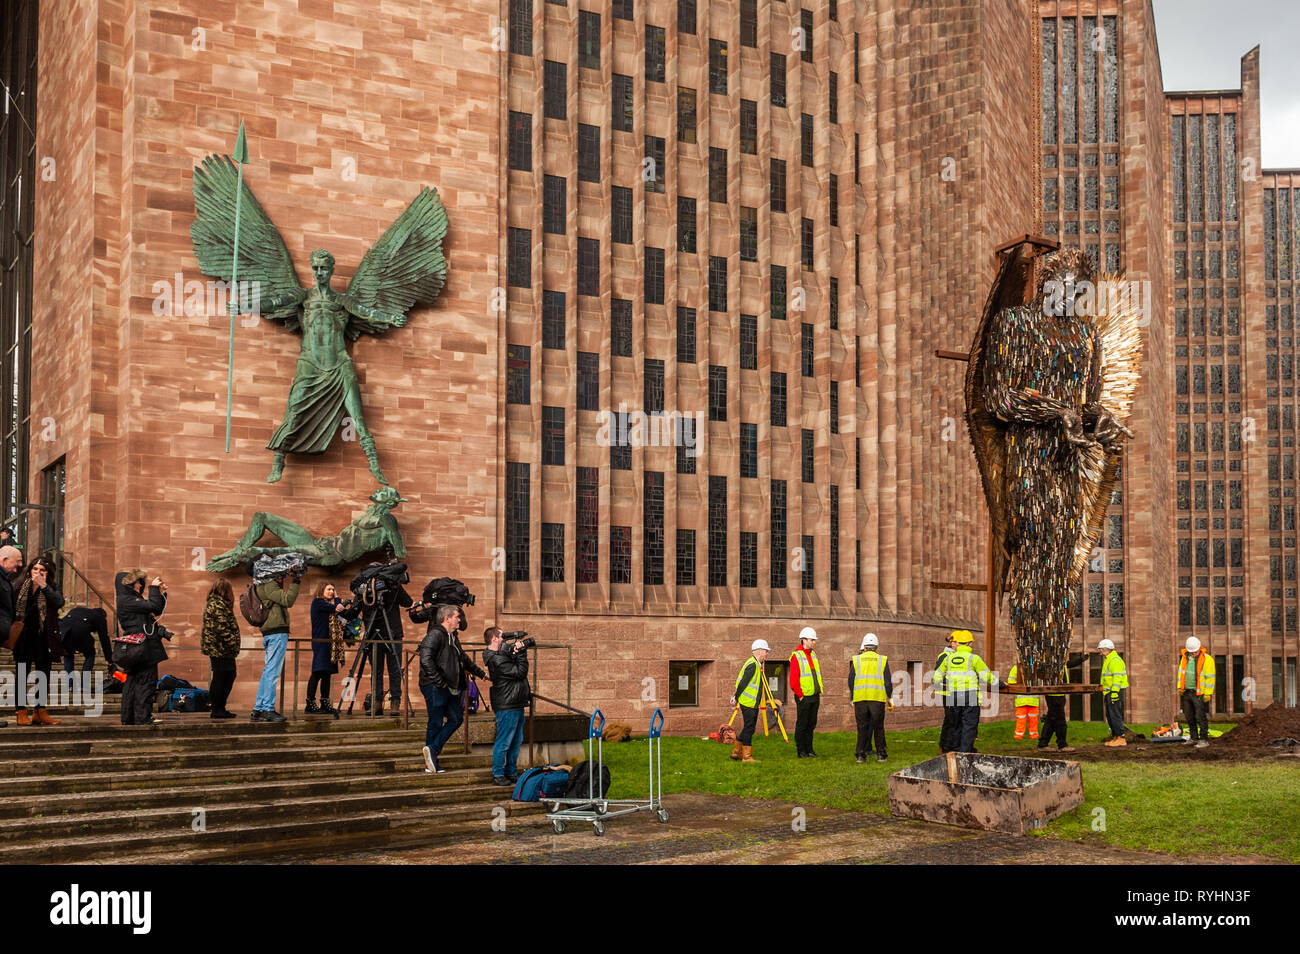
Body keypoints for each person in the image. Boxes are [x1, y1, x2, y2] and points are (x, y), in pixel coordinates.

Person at [417, 604, 486, 773]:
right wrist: (439, 682)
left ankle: (432, 750)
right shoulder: (435, 634)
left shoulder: (452, 637)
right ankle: (432, 760)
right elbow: (425, 659)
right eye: (457, 617)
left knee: (456, 718)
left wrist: (481, 673)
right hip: (435, 685)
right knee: (435, 721)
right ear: (447, 618)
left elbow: (463, 658)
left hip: (449, 686)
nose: (460, 620)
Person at [12, 557, 65, 725]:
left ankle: (40, 711)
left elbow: (59, 602)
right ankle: (21, 712)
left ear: (47, 573)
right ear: (30, 570)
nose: (38, 573)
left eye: (42, 570)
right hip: (24, 636)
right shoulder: (20, 586)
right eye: (35, 569)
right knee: (22, 674)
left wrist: (43, 585)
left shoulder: (51, 588)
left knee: (43, 675)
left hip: (44, 637)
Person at [115, 569, 169, 726]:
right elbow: (152, 605)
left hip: (136, 648)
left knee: (133, 682)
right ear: (129, 584)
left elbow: (156, 608)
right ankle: (142, 717)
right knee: (146, 681)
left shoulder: (129, 600)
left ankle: (130, 717)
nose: (140, 585)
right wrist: (153, 589)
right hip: (142, 648)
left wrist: (161, 593)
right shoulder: (127, 600)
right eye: (137, 582)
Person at [361, 563, 412, 716]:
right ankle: (377, 703)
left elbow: (408, 602)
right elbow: (356, 607)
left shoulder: (393, 586)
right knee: (377, 671)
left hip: (393, 634)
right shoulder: (365, 589)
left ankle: (395, 702)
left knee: (394, 670)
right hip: (374, 636)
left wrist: (395, 586)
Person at [252, 568, 301, 722]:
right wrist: (296, 581)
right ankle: (267, 708)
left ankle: (259, 709)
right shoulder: (267, 584)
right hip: (276, 632)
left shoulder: (261, 583)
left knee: (268, 670)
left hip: (271, 632)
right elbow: (288, 601)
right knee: (272, 672)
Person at [484, 626, 531, 785]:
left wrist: (516, 651)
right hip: (506, 704)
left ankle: (511, 772)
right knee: (504, 741)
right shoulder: (494, 659)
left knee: (516, 741)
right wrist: (522, 653)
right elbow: (519, 672)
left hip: (516, 702)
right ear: (494, 639)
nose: (505, 639)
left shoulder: (501, 655)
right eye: (502, 637)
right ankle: (498, 774)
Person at [933, 630, 990, 753]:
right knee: (952, 723)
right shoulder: (946, 656)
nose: (955, 644)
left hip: (955, 694)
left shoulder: (957, 657)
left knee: (957, 724)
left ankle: (958, 749)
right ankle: (946, 748)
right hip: (953, 694)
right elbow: (939, 675)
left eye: (956, 642)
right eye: (953, 642)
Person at [307, 582, 355, 715]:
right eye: (329, 589)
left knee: (326, 673)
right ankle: (310, 703)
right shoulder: (317, 602)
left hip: (331, 643)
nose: (331, 592)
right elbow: (337, 608)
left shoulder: (329, 606)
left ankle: (325, 703)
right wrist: (339, 599)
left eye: (333, 589)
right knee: (317, 672)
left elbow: (339, 613)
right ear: (321, 590)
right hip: (321, 642)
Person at [200, 579, 241, 719]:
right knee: (222, 676)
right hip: (221, 649)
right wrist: (232, 642)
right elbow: (221, 628)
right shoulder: (217, 605)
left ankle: (219, 707)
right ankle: (217, 708)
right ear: (225, 590)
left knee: (226, 676)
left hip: (221, 648)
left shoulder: (217, 603)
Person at [729, 639, 773, 763]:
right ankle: (747, 757)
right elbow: (743, 683)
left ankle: (736, 753)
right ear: (759, 651)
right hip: (748, 703)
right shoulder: (753, 665)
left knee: (749, 727)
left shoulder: (754, 663)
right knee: (749, 728)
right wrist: (736, 698)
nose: (767, 653)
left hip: (750, 702)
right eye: (766, 651)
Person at [850, 633, 891, 763]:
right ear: (876, 646)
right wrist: (890, 696)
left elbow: (851, 680)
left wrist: (852, 696)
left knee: (862, 727)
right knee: (878, 727)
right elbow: (888, 681)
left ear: (865, 646)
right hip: (877, 699)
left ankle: (861, 755)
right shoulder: (882, 660)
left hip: (860, 699)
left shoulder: (856, 660)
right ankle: (881, 755)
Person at [789, 626, 823, 758]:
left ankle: (809, 749)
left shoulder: (813, 654)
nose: (814, 642)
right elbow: (793, 681)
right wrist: (800, 695)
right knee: (802, 724)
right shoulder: (796, 656)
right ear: (804, 640)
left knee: (811, 724)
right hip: (804, 697)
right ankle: (801, 750)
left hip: (814, 695)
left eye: (814, 640)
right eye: (812, 640)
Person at [60, 603, 110, 689]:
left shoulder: (78, 610)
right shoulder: (100, 617)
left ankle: (70, 685)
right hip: (80, 632)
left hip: (64, 632)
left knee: (68, 655)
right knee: (90, 655)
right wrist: (109, 659)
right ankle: (84, 685)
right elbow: (104, 639)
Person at [1178, 636, 1216, 748]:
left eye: (1194, 652)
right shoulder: (1185, 658)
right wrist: (1180, 687)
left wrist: (1208, 693)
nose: (1193, 654)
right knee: (1189, 716)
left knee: (1200, 716)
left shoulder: (1207, 659)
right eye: (1191, 652)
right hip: (1187, 692)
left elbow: (1210, 678)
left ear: (1199, 648)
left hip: (1199, 694)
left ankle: (1203, 739)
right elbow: (1181, 674)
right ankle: (1193, 738)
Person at [1037, 656, 1079, 753]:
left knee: (1051, 720)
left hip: (1056, 694)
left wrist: (1080, 659)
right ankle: (1062, 744)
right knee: (1060, 721)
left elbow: (1069, 664)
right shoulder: (1052, 662)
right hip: (1055, 695)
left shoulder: (1058, 661)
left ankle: (1043, 744)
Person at [1099, 638, 1129, 746]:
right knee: (1110, 715)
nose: (1100, 652)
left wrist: (1115, 692)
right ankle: (1116, 737)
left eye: (1101, 650)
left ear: (1107, 649)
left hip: (1114, 692)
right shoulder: (1109, 659)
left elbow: (1117, 678)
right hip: (1109, 692)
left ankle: (1121, 737)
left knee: (1115, 715)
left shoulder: (1115, 660)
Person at [1006, 662, 1040, 742]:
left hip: (1021, 700)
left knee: (1021, 719)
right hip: (1033, 700)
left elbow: (1010, 681)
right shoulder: (1036, 667)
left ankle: (1018, 736)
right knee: (1033, 719)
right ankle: (1034, 736)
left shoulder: (1016, 668)